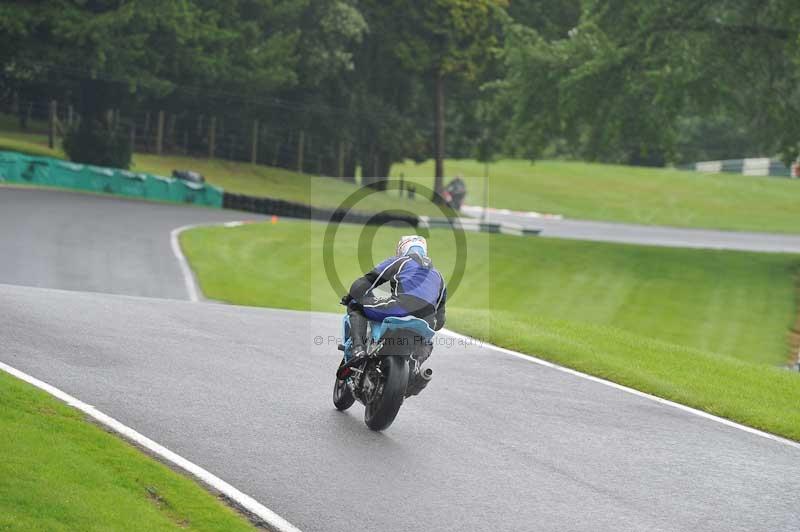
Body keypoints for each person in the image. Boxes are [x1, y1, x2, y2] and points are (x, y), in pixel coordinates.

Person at [341, 235, 447, 366]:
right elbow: (440, 320)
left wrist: (350, 297)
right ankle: (416, 368)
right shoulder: (439, 276)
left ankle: (358, 349)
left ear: (402, 249)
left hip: (400, 307)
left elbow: (366, 281)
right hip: (427, 319)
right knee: (427, 341)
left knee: (355, 305)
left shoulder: (401, 262)